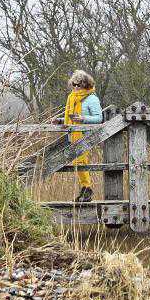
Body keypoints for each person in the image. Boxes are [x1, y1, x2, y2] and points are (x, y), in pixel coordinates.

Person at [60, 70, 103, 202]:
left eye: (79, 85)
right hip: (73, 135)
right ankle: (85, 189)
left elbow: (99, 118)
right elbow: (71, 118)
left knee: (80, 162)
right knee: (78, 162)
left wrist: (83, 119)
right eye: (74, 84)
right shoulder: (72, 98)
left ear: (86, 84)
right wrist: (61, 121)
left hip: (86, 136)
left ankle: (87, 189)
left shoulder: (92, 98)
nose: (76, 87)